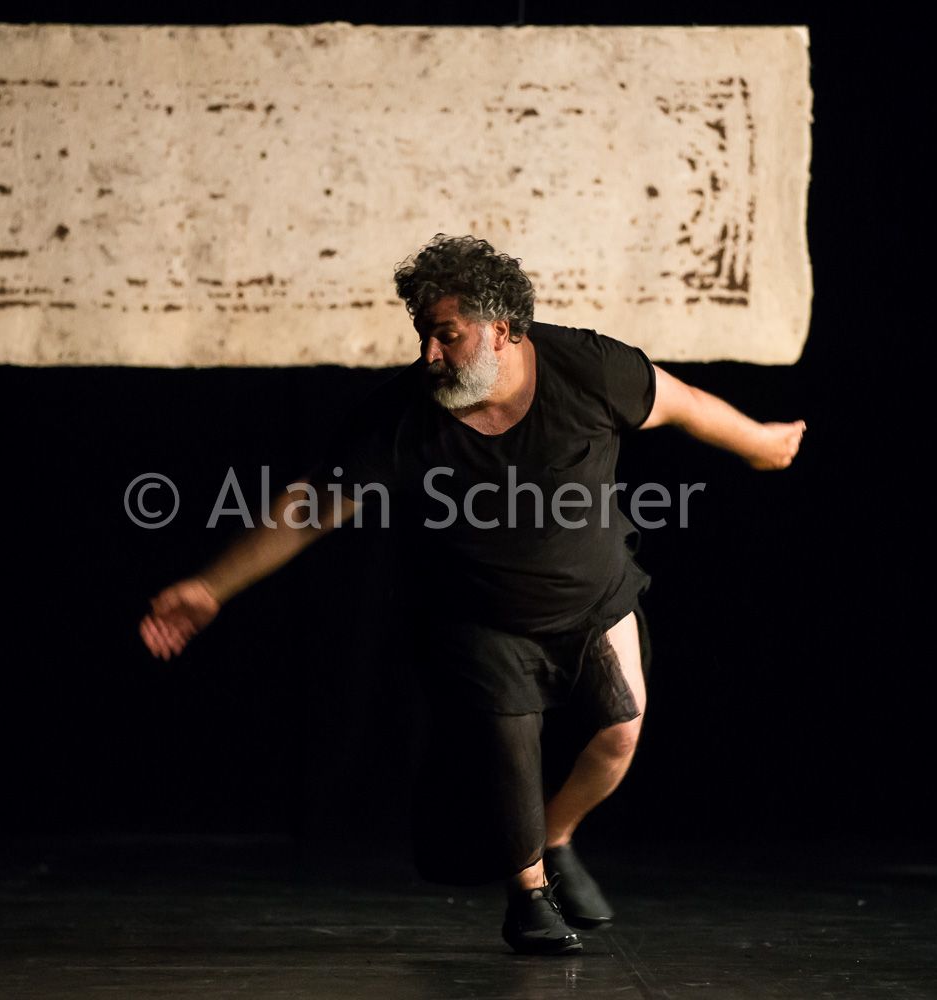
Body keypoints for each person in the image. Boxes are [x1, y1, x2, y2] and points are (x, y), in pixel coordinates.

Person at [138, 234, 805, 955]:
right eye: (423, 334)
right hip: (484, 618)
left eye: (446, 335)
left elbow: (683, 403)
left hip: (596, 600)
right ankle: (528, 899)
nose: (429, 353)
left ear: (502, 328)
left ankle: (558, 838)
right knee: (510, 752)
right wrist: (211, 586)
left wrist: (758, 442)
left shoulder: (589, 368)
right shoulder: (404, 415)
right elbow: (310, 507)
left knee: (618, 734)